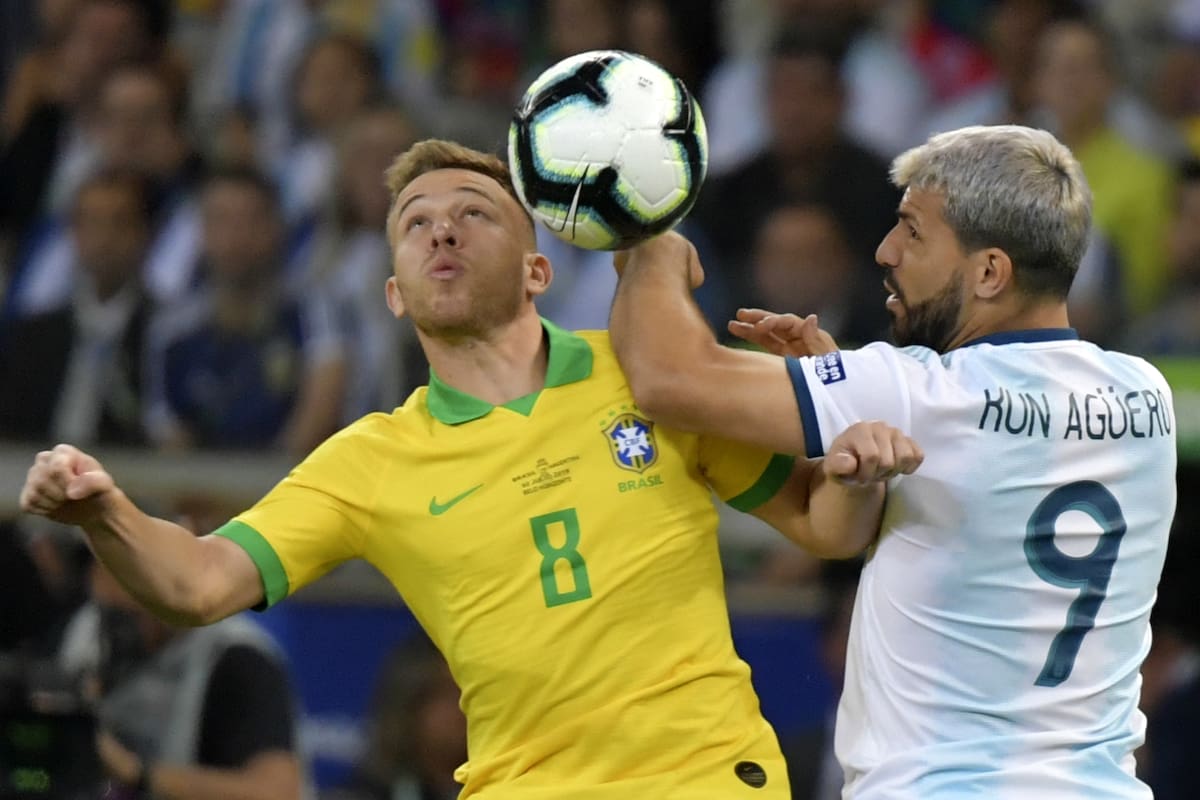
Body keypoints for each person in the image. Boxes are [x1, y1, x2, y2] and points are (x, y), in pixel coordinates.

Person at [19, 138, 923, 799]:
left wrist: (856, 473)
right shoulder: (372, 459)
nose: (442, 231)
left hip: (707, 778)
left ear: (537, 268)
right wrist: (107, 513)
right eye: (417, 224)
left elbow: (827, 526)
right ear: (394, 291)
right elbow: (199, 582)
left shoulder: (648, 377)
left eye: (473, 214)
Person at [609, 124, 1177, 799]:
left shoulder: (923, 392)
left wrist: (651, 246)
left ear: (990, 272)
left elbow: (668, 378)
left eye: (912, 231)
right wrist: (836, 395)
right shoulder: (1147, 395)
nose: (885, 252)